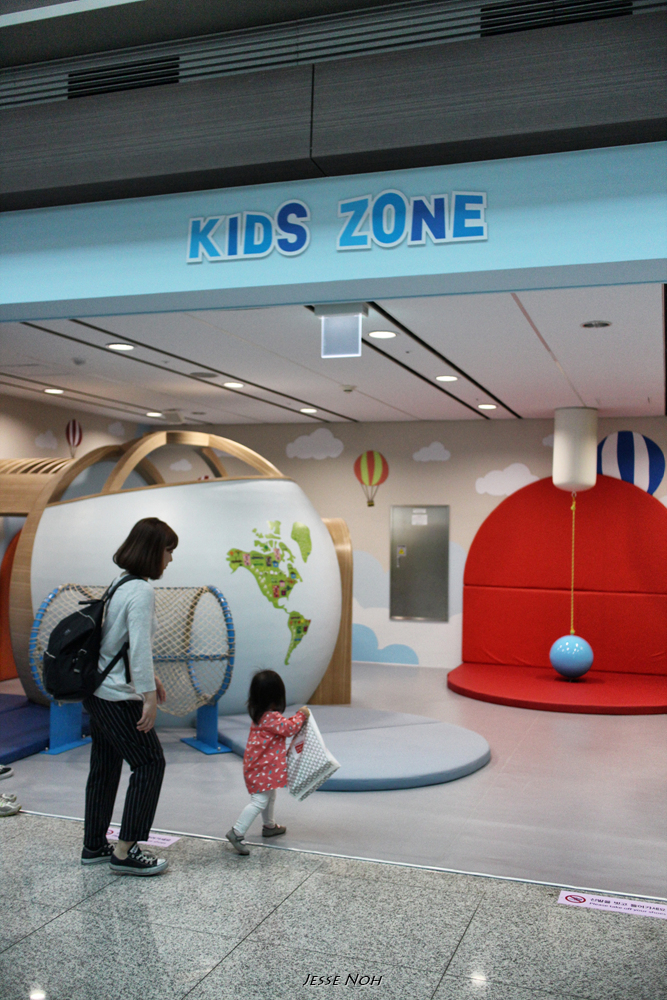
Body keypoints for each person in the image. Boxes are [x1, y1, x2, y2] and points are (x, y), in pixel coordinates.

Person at [81, 516, 177, 876]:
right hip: (118, 697)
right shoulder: (141, 591)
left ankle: (94, 846)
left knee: (105, 769)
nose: (170, 559)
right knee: (150, 763)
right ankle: (125, 850)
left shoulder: (120, 583)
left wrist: (150, 678)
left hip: (97, 692)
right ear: (154, 551)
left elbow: (114, 642)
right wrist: (148, 697)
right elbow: (138, 647)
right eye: (168, 550)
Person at [226, 670, 309, 855]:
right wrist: (302, 715)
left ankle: (269, 826)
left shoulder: (260, 715)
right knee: (259, 801)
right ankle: (237, 832)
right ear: (276, 698)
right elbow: (290, 728)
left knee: (269, 796)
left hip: (260, 768)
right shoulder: (271, 717)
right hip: (262, 770)